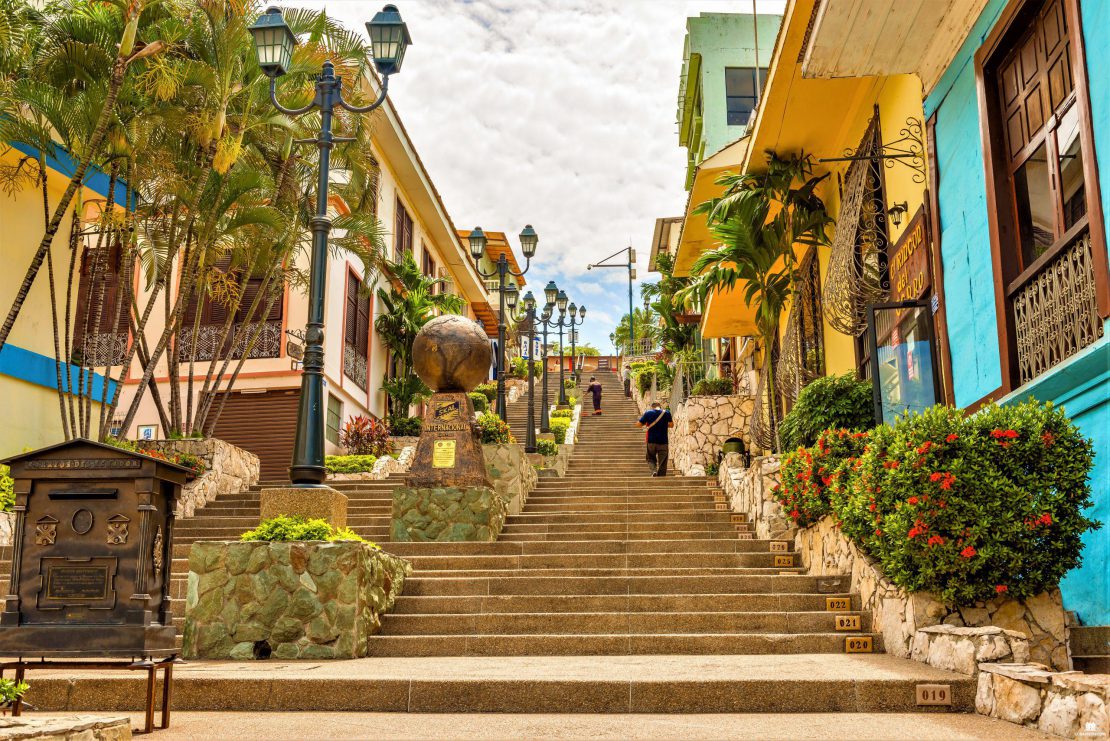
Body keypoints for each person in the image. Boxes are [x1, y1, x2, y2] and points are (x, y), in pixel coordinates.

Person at [637, 401, 673, 477]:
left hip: (651, 441)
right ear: (660, 406)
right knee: (663, 461)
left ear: (652, 407)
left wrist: (646, 423)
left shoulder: (648, 413)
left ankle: (654, 471)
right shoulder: (666, 413)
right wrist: (663, 424)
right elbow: (671, 425)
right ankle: (661, 478)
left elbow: (639, 424)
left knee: (650, 458)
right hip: (663, 442)